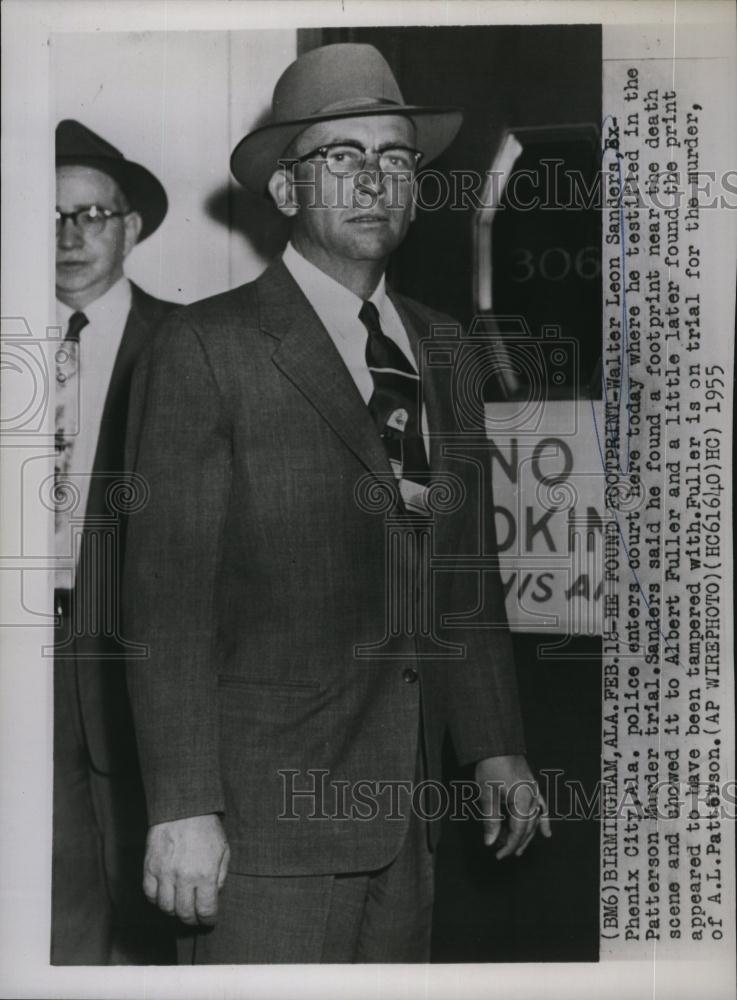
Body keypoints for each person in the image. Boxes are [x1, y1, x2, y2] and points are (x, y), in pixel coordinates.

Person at [123, 43, 551, 965]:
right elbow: (165, 602)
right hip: (260, 822)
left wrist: (494, 744)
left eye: (395, 157)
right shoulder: (206, 348)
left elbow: (462, 571)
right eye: (341, 156)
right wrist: (182, 806)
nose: (373, 180)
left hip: (405, 809)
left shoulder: (443, 348)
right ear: (285, 190)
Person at [53, 119, 177, 964]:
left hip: (140, 658)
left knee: (150, 894)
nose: (68, 236)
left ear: (129, 228)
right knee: (51, 892)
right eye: (48, 217)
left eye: (90, 214)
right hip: (26, 651)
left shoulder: (188, 341)